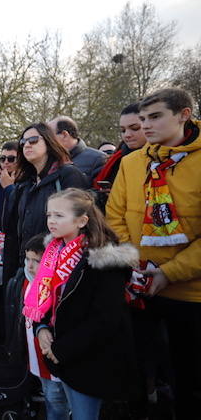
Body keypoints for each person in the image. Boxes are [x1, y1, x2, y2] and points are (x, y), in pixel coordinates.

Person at [106, 87, 201, 419]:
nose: (145, 126)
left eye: (155, 117)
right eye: (142, 119)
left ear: (184, 115)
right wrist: (135, 261)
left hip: (191, 294)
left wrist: (168, 272)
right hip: (139, 286)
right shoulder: (131, 162)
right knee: (137, 374)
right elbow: (114, 216)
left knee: (188, 381)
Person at [24, 188, 138, 420]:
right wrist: (42, 327)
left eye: (59, 215)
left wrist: (61, 350)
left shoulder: (104, 261)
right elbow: (47, 297)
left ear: (82, 220)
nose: (51, 221)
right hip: (63, 356)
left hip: (90, 360)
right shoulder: (53, 251)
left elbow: (106, 319)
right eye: (49, 215)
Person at [2, 123, 89, 283]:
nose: (27, 144)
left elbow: (82, 227)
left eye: (33, 140)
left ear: (49, 142)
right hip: (26, 268)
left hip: (59, 269)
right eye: (23, 142)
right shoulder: (24, 184)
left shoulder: (69, 176)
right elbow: (12, 231)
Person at [16, 233, 71, 420]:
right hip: (36, 358)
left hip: (55, 359)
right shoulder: (25, 281)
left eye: (36, 261)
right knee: (51, 398)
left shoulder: (55, 287)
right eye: (27, 259)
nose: (30, 266)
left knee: (58, 400)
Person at [92, 102, 148, 209]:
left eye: (135, 128)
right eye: (123, 130)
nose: (127, 135)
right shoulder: (115, 159)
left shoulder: (162, 157)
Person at [48, 116, 106, 184]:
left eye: (49, 135)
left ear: (64, 135)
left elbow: (100, 192)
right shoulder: (48, 161)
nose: (46, 140)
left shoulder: (99, 159)